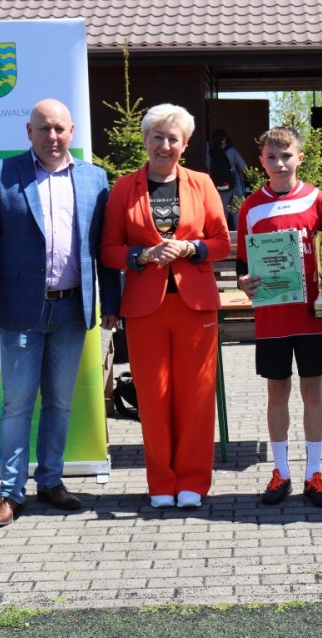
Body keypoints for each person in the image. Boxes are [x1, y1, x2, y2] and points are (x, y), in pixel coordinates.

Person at [0, 99, 120, 528]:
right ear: (29, 131)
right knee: (17, 404)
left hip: (72, 308)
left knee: (60, 402)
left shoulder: (94, 178)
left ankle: (50, 481)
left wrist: (112, 302)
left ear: (71, 131)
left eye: (59, 129)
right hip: (20, 310)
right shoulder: (0, 174)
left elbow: (104, 248)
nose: (52, 137)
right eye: (44, 128)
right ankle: (10, 492)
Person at [101, 103, 230, 510]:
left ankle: (193, 481)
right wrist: (141, 255)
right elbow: (108, 249)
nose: (165, 145)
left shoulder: (202, 184)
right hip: (145, 308)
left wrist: (191, 248)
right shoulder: (124, 188)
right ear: (145, 140)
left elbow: (222, 242)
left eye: (174, 138)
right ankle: (161, 482)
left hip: (196, 305)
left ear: (185, 144)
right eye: (157, 136)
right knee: (153, 398)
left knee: (196, 396)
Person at [236, 127, 322, 508]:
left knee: (313, 391)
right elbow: (244, 264)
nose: (280, 163)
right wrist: (244, 282)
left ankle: (314, 473)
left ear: (299, 158)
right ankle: (281, 471)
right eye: (272, 157)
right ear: (262, 162)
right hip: (273, 316)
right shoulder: (250, 206)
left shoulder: (317, 200)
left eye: (286, 155)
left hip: (311, 314)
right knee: (277, 392)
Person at [209, 129, 249, 231]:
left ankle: (222, 233)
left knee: (223, 211)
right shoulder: (231, 151)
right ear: (224, 138)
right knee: (237, 210)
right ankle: (238, 233)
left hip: (220, 186)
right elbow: (244, 167)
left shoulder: (210, 153)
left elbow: (209, 170)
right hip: (235, 184)